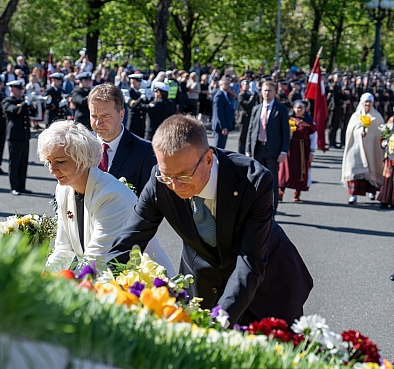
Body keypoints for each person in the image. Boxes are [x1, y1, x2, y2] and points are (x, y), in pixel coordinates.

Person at [108, 115, 313, 325]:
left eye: (185, 176)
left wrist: (219, 320)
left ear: (207, 158)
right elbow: (129, 239)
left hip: (266, 290)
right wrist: (97, 285)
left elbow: (250, 262)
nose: (176, 186)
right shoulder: (160, 181)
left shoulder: (253, 181)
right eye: (167, 175)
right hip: (203, 284)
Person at [38, 120, 174, 274]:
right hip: (109, 280)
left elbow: (96, 259)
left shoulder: (110, 196)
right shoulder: (63, 189)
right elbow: (63, 250)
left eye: (60, 162)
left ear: (82, 159)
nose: (52, 170)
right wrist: (43, 280)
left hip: (144, 285)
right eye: (49, 162)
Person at [88, 83, 156, 197]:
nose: (98, 123)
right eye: (94, 116)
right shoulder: (80, 146)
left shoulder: (145, 152)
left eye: (105, 116)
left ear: (121, 115)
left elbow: (150, 203)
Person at [246, 80, 290, 214]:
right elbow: (250, 130)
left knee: (271, 181)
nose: (266, 93)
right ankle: (257, 210)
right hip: (258, 148)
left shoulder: (281, 109)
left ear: (274, 92)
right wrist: (248, 149)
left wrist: (283, 151)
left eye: (269, 90)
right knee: (256, 180)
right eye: (264, 90)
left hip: (273, 151)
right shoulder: (256, 108)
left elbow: (285, 133)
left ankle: (272, 210)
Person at [341, 92, 384, 204]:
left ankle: (372, 192)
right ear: (362, 102)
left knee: (372, 167)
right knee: (355, 169)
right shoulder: (356, 116)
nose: (368, 104)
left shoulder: (377, 117)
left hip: (372, 148)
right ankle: (353, 195)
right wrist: (360, 132)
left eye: (370, 102)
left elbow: (381, 132)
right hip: (357, 147)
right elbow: (350, 131)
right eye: (366, 102)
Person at [2, 80, 37, 195]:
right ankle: (14, 186)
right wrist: (24, 103)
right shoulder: (7, 101)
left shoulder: (22, 101)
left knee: (23, 163)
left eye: (21, 89)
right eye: (18, 89)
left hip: (24, 135)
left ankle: (22, 186)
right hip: (14, 136)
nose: (21, 91)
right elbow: (14, 110)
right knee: (15, 163)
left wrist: (33, 103)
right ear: (11, 89)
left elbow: (34, 113)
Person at [278, 100, 317, 202]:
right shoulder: (288, 119)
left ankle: (297, 193)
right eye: (297, 107)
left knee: (300, 170)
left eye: (301, 107)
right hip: (289, 148)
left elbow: (313, 137)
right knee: (284, 170)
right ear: (293, 108)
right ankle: (280, 191)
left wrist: (312, 152)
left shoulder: (309, 122)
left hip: (302, 149)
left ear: (305, 109)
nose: (299, 109)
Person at [211, 77, 235, 149]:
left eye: (229, 84)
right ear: (221, 85)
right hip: (220, 127)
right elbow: (219, 113)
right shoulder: (219, 96)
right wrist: (223, 127)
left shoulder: (226, 95)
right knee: (218, 148)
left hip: (225, 126)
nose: (228, 85)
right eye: (226, 84)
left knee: (221, 148)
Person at [237, 79, 258, 154]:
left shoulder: (249, 93)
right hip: (244, 116)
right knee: (243, 137)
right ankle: (240, 152)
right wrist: (252, 98)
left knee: (247, 136)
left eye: (247, 85)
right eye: (245, 84)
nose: (246, 86)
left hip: (249, 116)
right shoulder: (241, 94)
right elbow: (247, 104)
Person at [378, 116, 394, 208]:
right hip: (391, 152)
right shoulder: (392, 120)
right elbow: (385, 134)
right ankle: (384, 199)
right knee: (388, 176)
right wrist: (383, 142)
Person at [125, 72, 147, 138]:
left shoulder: (139, 93)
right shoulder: (128, 92)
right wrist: (141, 99)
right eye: (138, 81)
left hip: (141, 124)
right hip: (133, 124)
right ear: (132, 81)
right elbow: (133, 105)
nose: (140, 83)